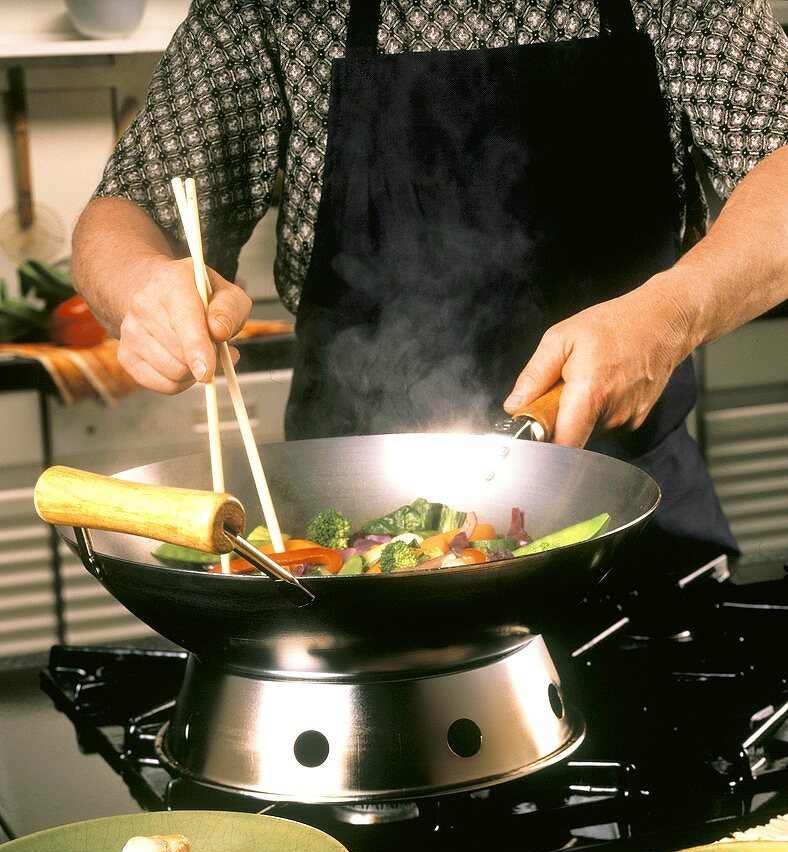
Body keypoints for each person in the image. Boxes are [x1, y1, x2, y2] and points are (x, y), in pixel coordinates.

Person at [72, 0, 788, 570]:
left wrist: (671, 311)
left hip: (632, 520)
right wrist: (142, 286)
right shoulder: (274, 9)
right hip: (354, 537)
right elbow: (124, 212)